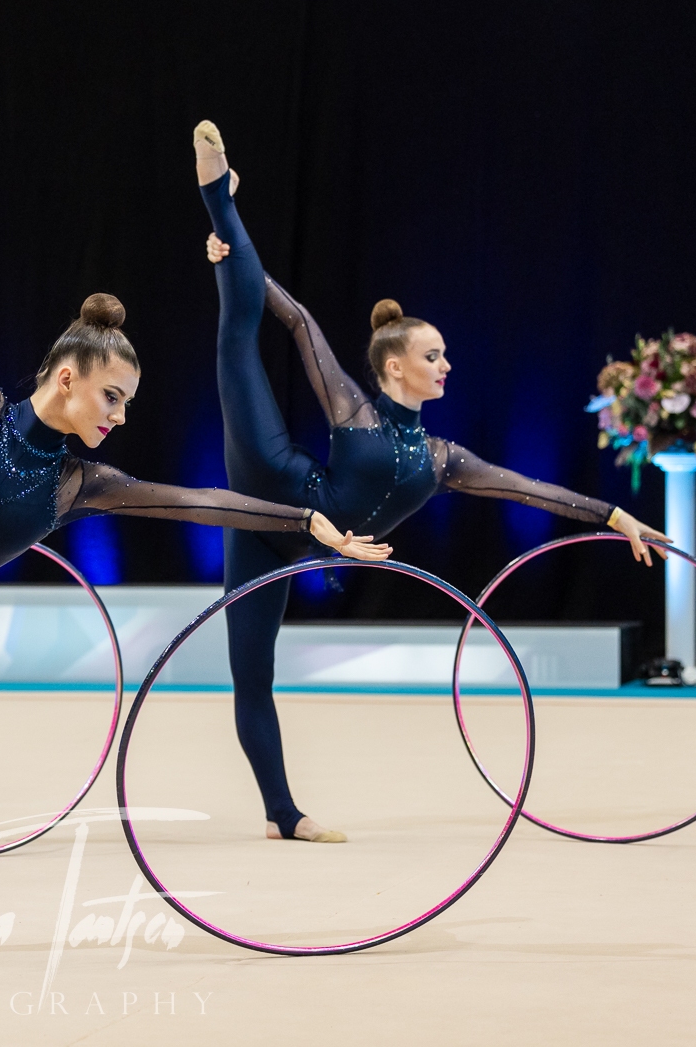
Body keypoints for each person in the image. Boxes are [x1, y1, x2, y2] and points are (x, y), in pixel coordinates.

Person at [0, 65, 391, 964]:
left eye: (127, 403)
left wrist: (305, 524)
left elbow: (198, 502)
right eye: (111, 396)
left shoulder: (78, 486)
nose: (119, 416)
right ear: (65, 378)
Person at [192, 119, 671, 845]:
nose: (446, 365)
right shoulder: (353, 412)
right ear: (394, 367)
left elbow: (528, 489)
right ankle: (217, 199)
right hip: (272, 493)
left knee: (259, 673)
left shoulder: (443, 459)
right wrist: (234, 256)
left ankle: (225, 217)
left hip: (304, 543)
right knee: (238, 338)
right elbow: (296, 321)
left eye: (444, 356)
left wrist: (614, 516)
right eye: (433, 356)